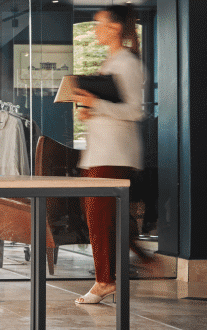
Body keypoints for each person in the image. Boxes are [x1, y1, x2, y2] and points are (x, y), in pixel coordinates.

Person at [72, 4, 147, 304]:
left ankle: (104, 281)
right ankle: (115, 273)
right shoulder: (112, 61)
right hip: (101, 153)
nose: (94, 30)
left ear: (115, 28)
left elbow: (134, 111)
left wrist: (97, 106)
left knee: (99, 218)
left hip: (113, 154)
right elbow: (109, 108)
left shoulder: (127, 62)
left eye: (98, 24)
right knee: (100, 217)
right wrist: (90, 110)